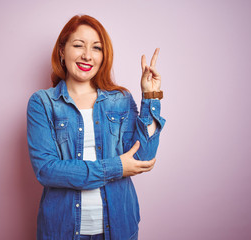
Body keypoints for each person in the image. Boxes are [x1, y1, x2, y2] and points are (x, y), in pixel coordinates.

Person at [27, 14, 166, 240]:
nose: (87, 55)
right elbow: (47, 170)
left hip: (120, 228)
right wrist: (115, 167)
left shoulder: (120, 99)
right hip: (61, 231)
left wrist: (151, 97)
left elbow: (142, 158)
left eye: (96, 48)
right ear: (62, 51)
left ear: (104, 56)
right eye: (78, 45)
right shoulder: (42, 103)